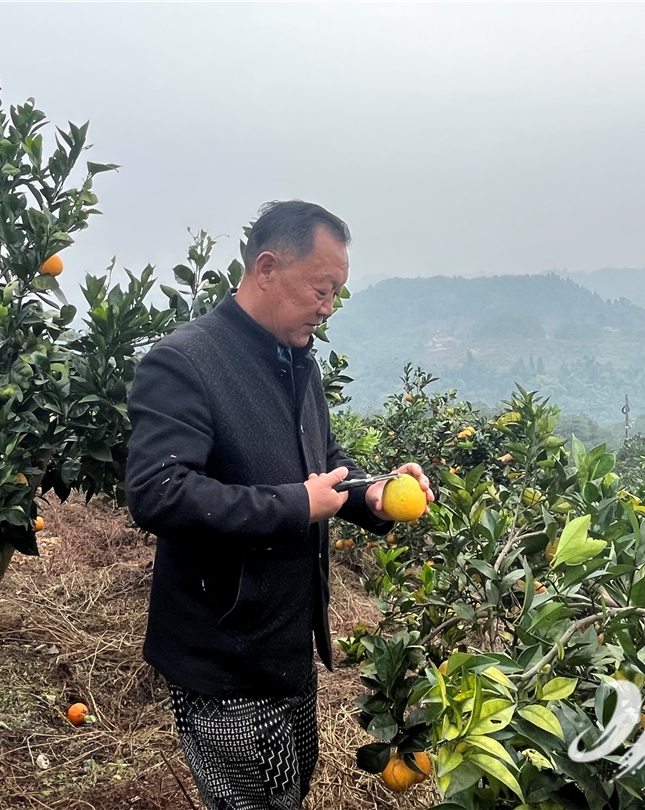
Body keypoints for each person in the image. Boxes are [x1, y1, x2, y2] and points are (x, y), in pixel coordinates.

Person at [125, 200, 433, 810]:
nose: (328, 307)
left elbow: (325, 460)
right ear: (267, 269)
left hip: (287, 646)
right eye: (321, 289)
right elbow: (158, 491)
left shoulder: (296, 360)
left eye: (337, 293)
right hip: (224, 657)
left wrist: (370, 494)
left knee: (287, 792)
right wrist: (294, 505)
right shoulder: (185, 362)